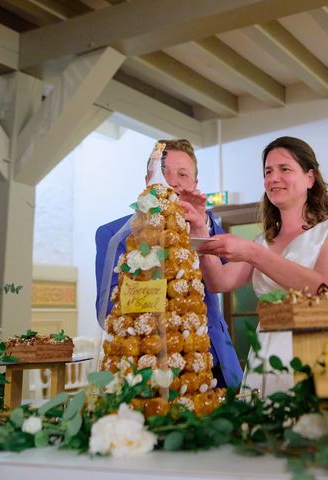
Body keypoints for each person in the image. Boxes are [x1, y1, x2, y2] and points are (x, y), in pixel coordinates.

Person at [195, 136, 328, 395]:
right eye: (268, 171)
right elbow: (219, 281)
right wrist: (199, 227)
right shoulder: (264, 240)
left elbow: (321, 287)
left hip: (313, 344)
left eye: (285, 169)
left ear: (309, 178)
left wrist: (252, 252)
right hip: (267, 347)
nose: (274, 178)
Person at [94, 139, 243, 389]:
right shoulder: (113, 235)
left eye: (183, 175)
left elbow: (225, 277)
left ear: (195, 185)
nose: (172, 182)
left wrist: (200, 223)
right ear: (147, 181)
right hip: (144, 368)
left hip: (212, 363)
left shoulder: (206, 227)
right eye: (163, 173)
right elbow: (109, 310)